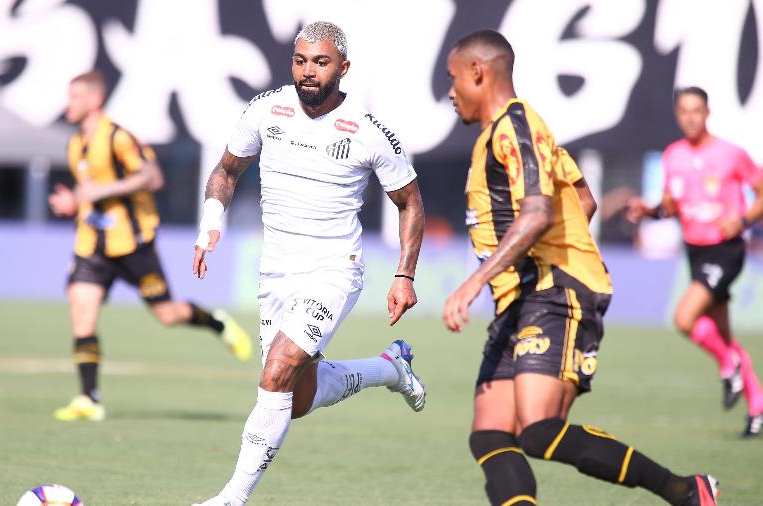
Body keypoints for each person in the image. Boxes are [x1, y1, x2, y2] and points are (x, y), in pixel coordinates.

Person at [443, 30, 719, 506]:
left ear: (478, 72)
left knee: (538, 429)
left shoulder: (515, 127)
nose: (450, 92)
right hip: (523, 297)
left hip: (554, 292)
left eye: (453, 79)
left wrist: (476, 282)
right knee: (490, 433)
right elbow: (583, 198)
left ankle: (685, 491)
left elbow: (536, 213)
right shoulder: (509, 134)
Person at [191, 21, 426, 505]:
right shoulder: (266, 109)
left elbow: (410, 203)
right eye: (300, 61)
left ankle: (232, 497)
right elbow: (226, 170)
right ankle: (390, 368)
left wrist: (404, 274)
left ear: (343, 68)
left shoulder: (367, 130)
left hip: (334, 270)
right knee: (294, 400)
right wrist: (211, 221)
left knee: (276, 372)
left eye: (320, 62)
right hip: (275, 272)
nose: (308, 72)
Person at [47, 70, 252, 422]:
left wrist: (100, 191)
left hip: (133, 244)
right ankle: (88, 398)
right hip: (91, 245)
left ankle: (216, 322)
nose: (68, 104)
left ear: (95, 100)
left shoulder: (118, 138)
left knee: (167, 314)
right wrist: (75, 203)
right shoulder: (75, 144)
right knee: (81, 308)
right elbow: (89, 193)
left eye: (75, 97)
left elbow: (152, 177)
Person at [628, 86, 763, 437]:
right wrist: (650, 211)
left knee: (684, 318)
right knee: (722, 335)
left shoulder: (731, 154)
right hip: (696, 251)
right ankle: (757, 406)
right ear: (677, 115)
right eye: (684, 111)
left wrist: (743, 220)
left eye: (696, 111)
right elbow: (670, 206)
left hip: (725, 249)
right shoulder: (673, 155)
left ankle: (729, 366)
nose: (690, 117)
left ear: (707, 113)